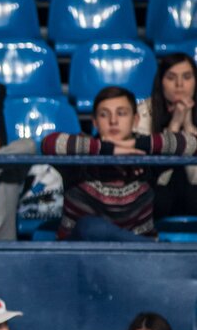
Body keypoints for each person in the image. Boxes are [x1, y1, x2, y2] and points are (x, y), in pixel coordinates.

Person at [40, 85, 197, 241]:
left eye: (121, 113)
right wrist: (109, 149)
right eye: (104, 115)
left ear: (135, 120)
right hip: (83, 251)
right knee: (90, 226)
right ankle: (158, 250)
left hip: (135, 252)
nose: (113, 121)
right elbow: (48, 143)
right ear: (95, 122)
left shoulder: (145, 154)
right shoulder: (82, 149)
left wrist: (135, 145)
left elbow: (193, 144)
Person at [136, 52, 197, 220]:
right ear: (161, 82)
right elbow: (150, 172)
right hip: (157, 189)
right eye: (171, 78)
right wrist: (175, 125)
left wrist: (188, 126)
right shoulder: (142, 114)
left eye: (187, 77)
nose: (179, 84)